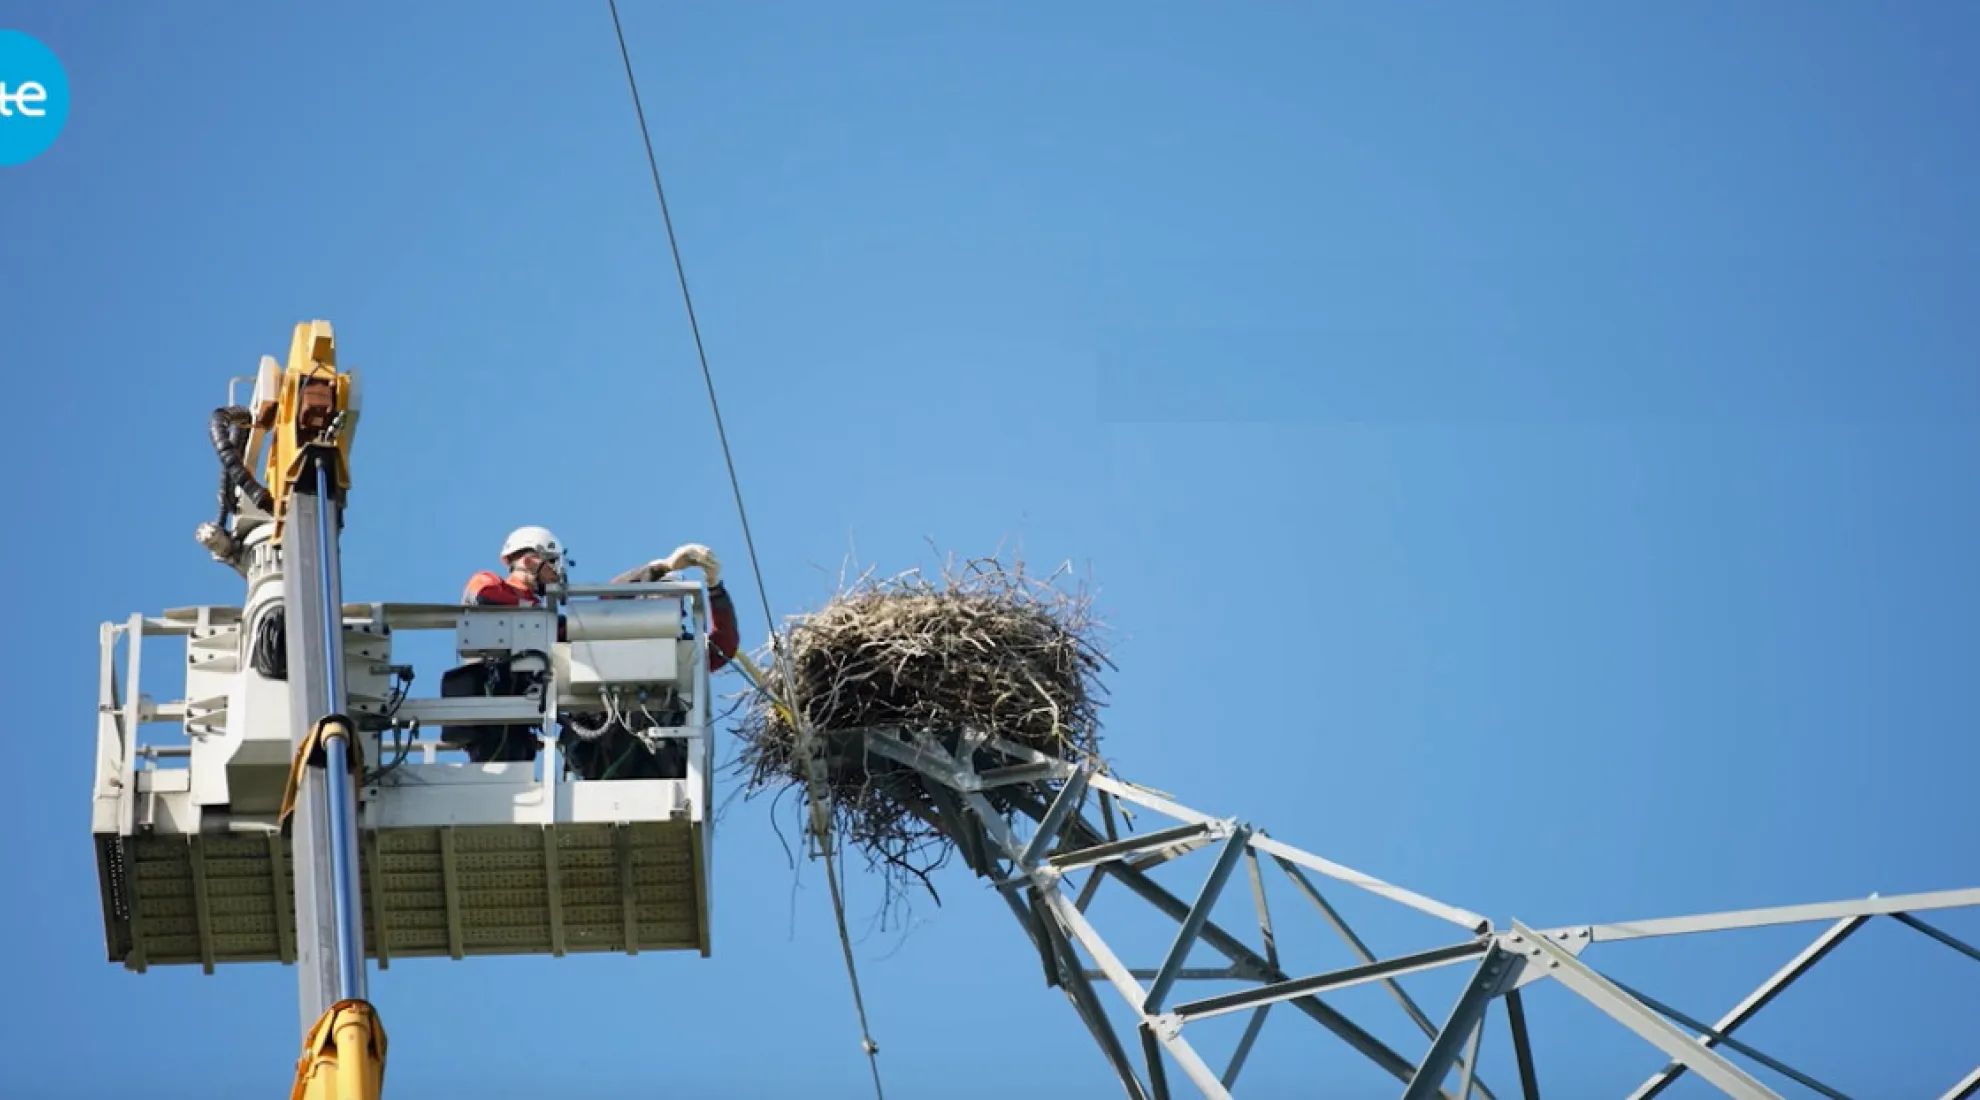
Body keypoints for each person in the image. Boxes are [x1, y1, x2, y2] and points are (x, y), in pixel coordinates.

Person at [443, 526, 742, 773]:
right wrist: (659, 568)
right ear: (533, 560)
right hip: (520, 715)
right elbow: (605, 605)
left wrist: (714, 590)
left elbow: (722, 647)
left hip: (659, 758)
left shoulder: (681, 650)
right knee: (501, 779)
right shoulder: (493, 585)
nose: (557, 577)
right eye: (553, 567)